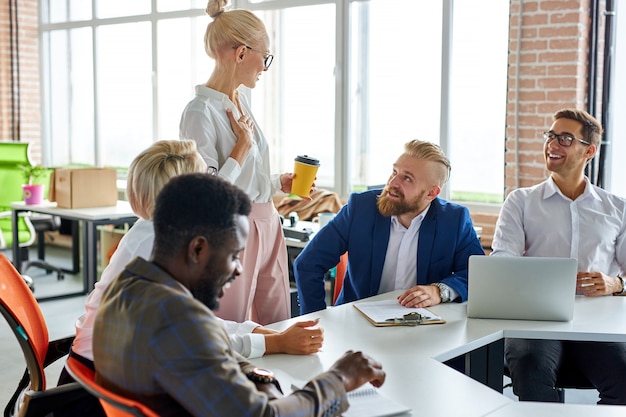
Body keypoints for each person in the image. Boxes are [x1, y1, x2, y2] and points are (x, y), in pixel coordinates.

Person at [93, 173, 386, 416]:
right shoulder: (181, 320)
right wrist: (339, 379)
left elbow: (212, 351)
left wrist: (260, 378)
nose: (238, 270)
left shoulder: (128, 286)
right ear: (197, 249)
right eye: (234, 255)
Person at [62, 140, 323, 387]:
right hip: (98, 390)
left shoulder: (153, 231)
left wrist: (264, 332)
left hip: (101, 370)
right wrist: (274, 344)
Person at [491, 108, 626, 404]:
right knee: (530, 370)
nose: (552, 144)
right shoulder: (521, 202)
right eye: (550, 136)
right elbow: (502, 262)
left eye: (564, 138)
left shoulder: (617, 208)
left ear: (588, 151)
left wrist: (616, 284)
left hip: (597, 322)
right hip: (536, 321)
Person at [179, 0, 295, 325]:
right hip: (233, 229)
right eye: (265, 56)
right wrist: (240, 149)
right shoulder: (199, 112)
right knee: (233, 327)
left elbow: (246, 175)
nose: (266, 65)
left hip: (269, 222)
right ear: (242, 53)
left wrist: (275, 184)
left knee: (278, 322)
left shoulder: (240, 100)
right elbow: (205, 194)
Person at [295, 140, 484, 315]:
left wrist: (439, 291)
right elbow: (308, 263)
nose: (393, 183)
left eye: (407, 179)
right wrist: (315, 321)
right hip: (358, 325)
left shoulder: (454, 220)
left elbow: (477, 275)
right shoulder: (361, 208)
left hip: (425, 327)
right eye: (395, 172)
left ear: (432, 192)